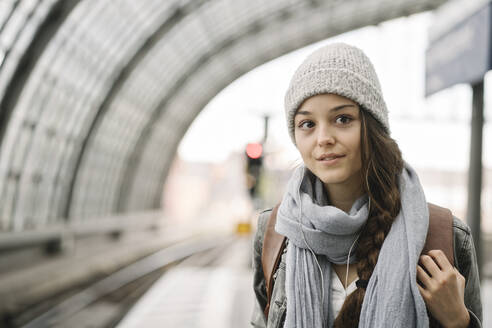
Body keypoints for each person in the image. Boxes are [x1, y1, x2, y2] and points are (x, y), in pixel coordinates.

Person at [251, 43, 482, 328]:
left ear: (372, 127)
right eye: (307, 124)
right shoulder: (275, 231)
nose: (323, 137)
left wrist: (458, 321)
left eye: (342, 119)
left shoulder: (444, 235)